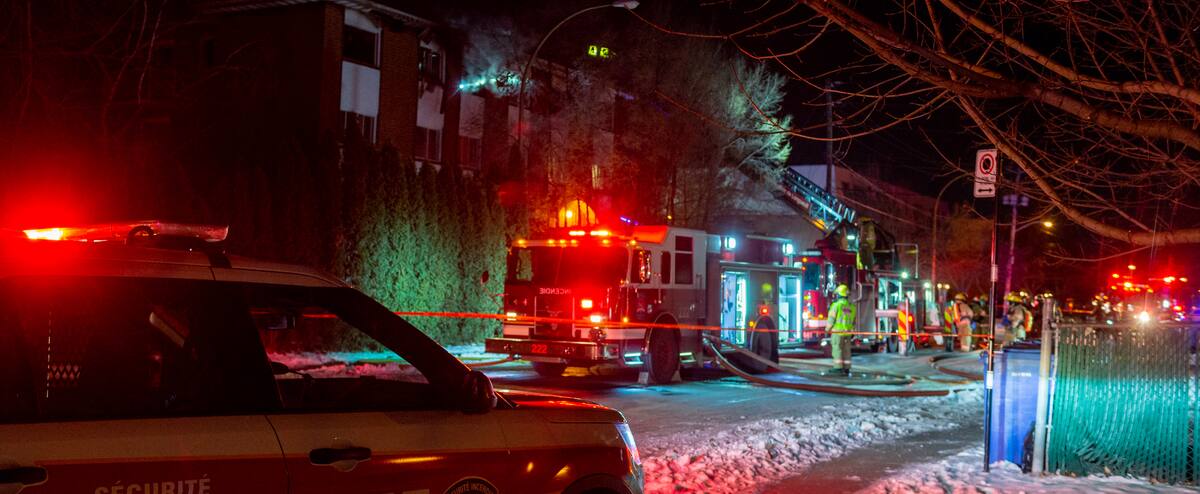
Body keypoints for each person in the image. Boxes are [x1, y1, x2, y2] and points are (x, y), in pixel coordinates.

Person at [828, 284, 856, 375]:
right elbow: (854, 321)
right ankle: (846, 368)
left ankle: (838, 368)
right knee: (847, 350)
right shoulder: (852, 307)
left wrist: (827, 329)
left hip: (838, 332)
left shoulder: (836, 305)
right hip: (848, 333)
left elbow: (831, 319)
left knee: (837, 349)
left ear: (839, 295)